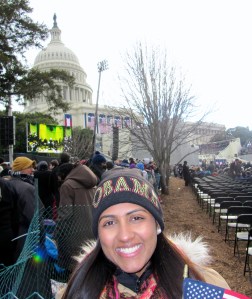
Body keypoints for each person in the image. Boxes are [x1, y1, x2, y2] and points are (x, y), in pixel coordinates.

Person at [60, 168, 229, 298]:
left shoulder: (205, 285)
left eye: (136, 218)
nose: (124, 235)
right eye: (109, 222)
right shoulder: (77, 291)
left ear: (156, 224)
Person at [54, 161, 98, 274]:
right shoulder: (92, 183)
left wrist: (57, 233)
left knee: (75, 272)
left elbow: (65, 214)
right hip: (92, 232)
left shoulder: (67, 185)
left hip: (74, 234)